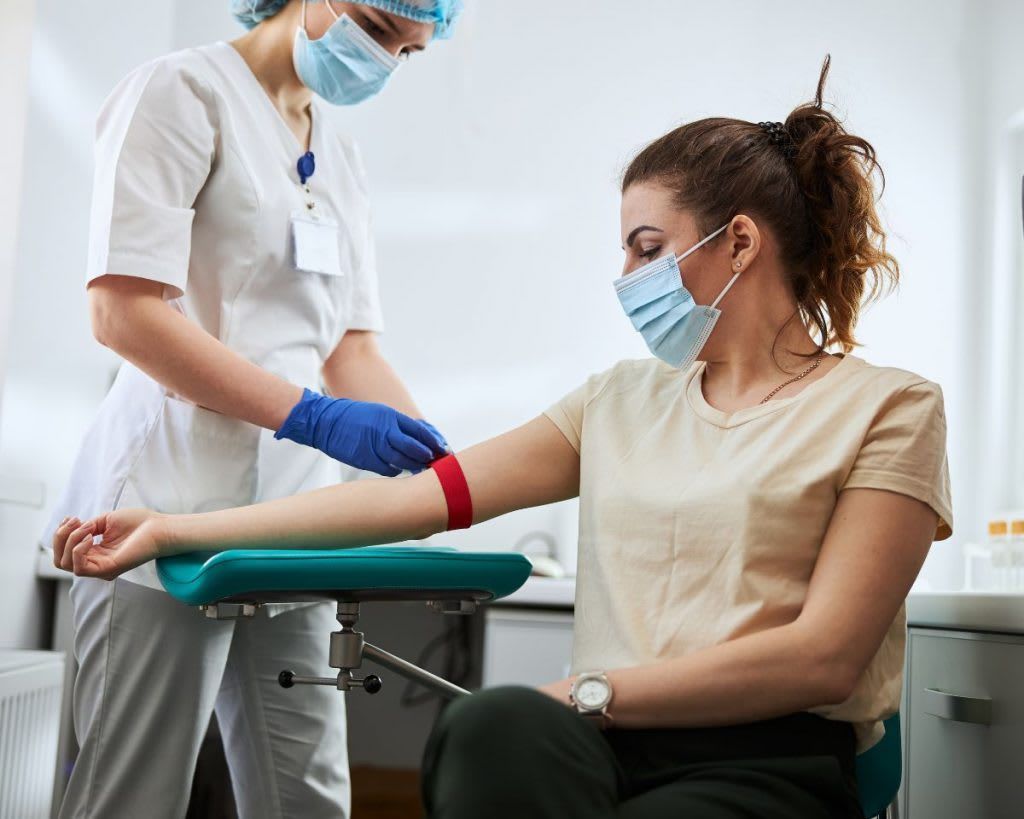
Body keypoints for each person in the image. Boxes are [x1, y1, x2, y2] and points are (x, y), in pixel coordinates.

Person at [56, 57, 952, 818]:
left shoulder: (889, 408)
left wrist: (587, 693)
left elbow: (825, 658)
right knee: (486, 724)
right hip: (606, 744)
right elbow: (414, 502)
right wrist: (172, 528)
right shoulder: (620, 400)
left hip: (763, 754)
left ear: (741, 243)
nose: (625, 276)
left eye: (646, 248)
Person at [46, 1, 462, 816]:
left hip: (292, 524)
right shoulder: (182, 92)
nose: (384, 61)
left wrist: (448, 472)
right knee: (134, 796)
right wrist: (313, 416)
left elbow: (351, 350)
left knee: (309, 796)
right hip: (164, 496)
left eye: (408, 51)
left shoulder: (340, 155)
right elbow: (124, 311)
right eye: (378, 29)